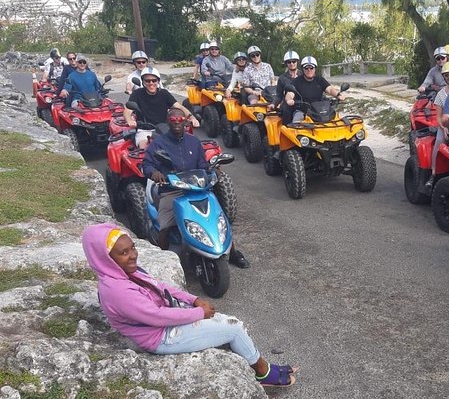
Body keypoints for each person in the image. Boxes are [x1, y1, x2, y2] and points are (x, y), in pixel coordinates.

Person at [81, 223, 296, 386]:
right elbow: (157, 317)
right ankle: (264, 373)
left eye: (132, 248)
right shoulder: (117, 290)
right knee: (235, 329)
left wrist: (193, 299)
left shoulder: (124, 272)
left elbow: (160, 286)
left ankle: (254, 361)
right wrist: (198, 314)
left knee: (230, 321)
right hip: (159, 337)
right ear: (105, 257)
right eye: (123, 252)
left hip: (165, 322)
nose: (133, 255)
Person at [142, 108, 250, 269]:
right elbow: (146, 164)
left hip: (197, 188)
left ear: (185, 121)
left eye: (180, 120)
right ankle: (162, 264)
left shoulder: (194, 141)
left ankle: (233, 253)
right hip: (173, 190)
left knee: (219, 219)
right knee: (165, 225)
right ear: (168, 121)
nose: (177, 123)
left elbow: (202, 164)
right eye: (173, 120)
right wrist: (155, 173)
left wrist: (213, 171)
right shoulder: (158, 144)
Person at [124, 67, 199, 148]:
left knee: (186, 146)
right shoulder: (137, 93)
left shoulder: (164, 93)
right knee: (145, 149)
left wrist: (192, 118)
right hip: (145, 130)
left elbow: (179, 106)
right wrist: (129, 120)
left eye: (154, 80)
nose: (151, 83)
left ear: (158, 81)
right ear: (143, 82)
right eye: (147, 81)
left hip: (165, 128)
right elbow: (127, 110)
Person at [424, 60, 449, 190]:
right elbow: (438, 117)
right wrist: (443, 127)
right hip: (447, 126)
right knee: (440, 141)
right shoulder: (441, 94)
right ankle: (434, 173)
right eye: (447, 75)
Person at [283, 56, 346, 123]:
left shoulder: (320, 80)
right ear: (303, 69)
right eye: (306, 68)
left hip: (320, 110)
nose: (309, 70)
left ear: (315, 68)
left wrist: (338, 95)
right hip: (303, 111)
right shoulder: (296, 81)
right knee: (297, 124)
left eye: (311, 67)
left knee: (337, 122)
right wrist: (289, 100)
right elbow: (290, 93)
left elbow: (330, 89)